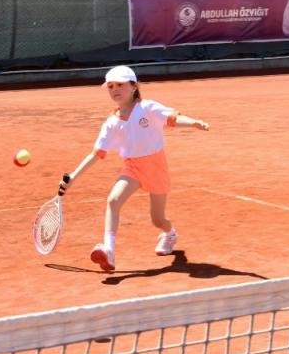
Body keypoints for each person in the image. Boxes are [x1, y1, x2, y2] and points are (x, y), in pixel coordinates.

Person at [58, 65, 210, 272]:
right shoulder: (111, 123)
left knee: (157, 220)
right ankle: (109, 251)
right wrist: (73, 177)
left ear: (134, 86)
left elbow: (172, 119)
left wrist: (193, 123)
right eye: (110, 86)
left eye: (120, 85)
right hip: (132, 168)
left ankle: (170, 233)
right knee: (113, 200)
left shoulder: (147, 108)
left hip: (156, 166)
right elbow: (96, 154)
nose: (114, 90)